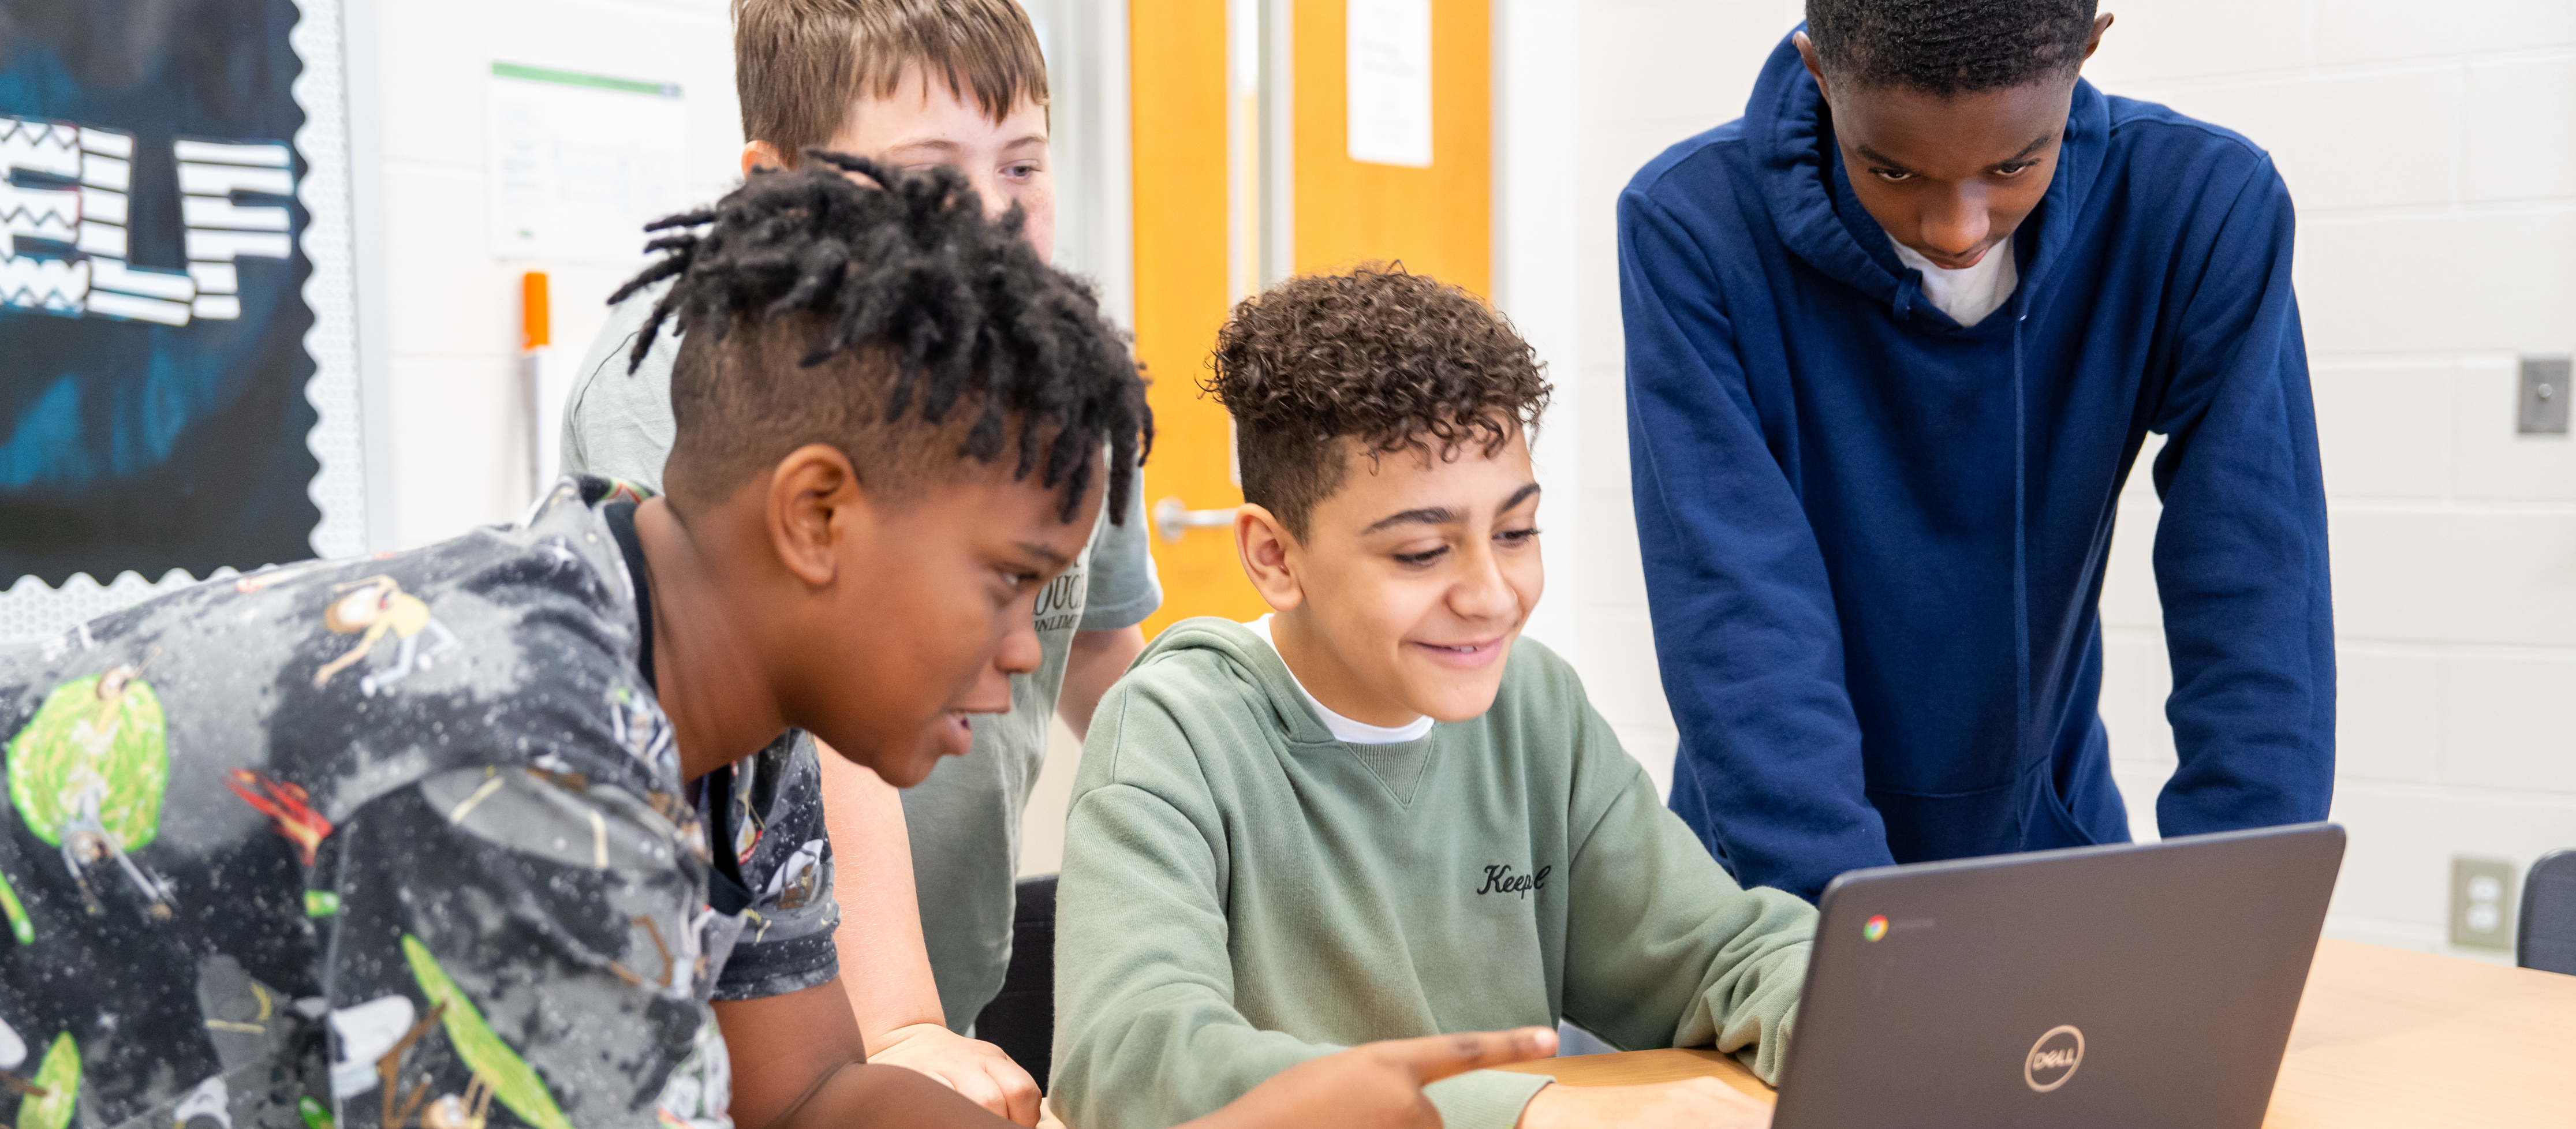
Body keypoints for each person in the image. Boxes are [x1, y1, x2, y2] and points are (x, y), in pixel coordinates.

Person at [0, 162, 1557, 1129]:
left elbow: (803, 1095)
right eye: (1010, 581)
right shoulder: (516, 760)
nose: (1027, 653)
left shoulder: (724, 708)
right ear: (820, 517)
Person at [558, 1, 1158, 1118]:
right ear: (778, 186)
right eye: (930, 175)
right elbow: (798, 694)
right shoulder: (708, 371)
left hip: (908, 1006)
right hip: (729, 1026)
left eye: (1023, 164)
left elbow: (1111, 661)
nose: (991, 211)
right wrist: (899, 1027)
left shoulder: (1051, 378)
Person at [1050, 266, 1814, 1129]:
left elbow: (1721, 956)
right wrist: (1519, 1114)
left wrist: (1854, 1027)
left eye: (1517, 532)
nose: (1490, 594)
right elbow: (1129, 1058)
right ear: (1274, 558)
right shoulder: (1175, 730)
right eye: (1421, 553)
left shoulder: (1534, 706)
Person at [1618, 0, 2335, 901]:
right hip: (1773, 880)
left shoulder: (2202, 209)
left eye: (2013, 165)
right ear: (1817, 72)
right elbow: (1735, 608)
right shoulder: (1691, 225)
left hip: (2046, 855)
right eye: (1890, 168)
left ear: (2087, 53)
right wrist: (1854, 940)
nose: (1955, 230)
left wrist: (2240, 915)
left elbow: (2254, 583)